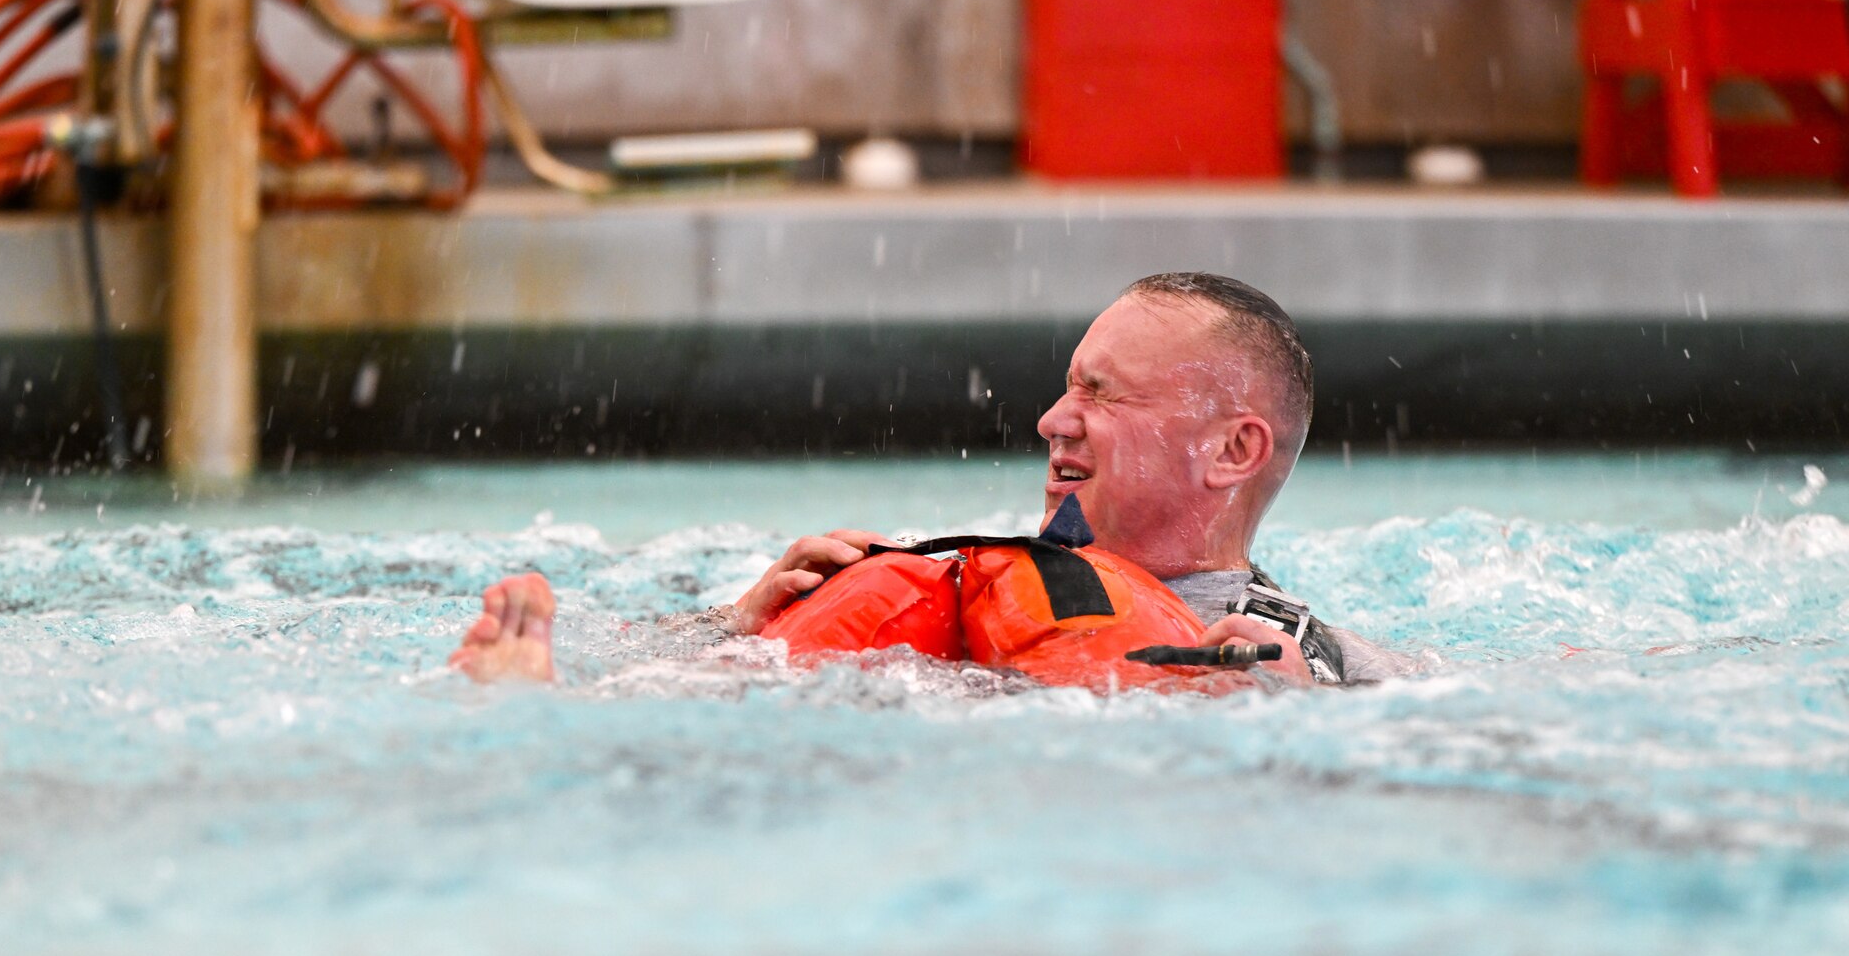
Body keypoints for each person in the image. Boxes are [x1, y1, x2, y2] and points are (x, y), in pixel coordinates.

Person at [451, 272, 1405, 688]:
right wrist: (734, 626)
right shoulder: (954, 570)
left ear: (1233, 451)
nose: (1052, 420)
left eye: (1101, 396)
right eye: (1065, 389)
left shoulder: (1296, 655)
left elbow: (1482, 722)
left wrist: (1287, 719)